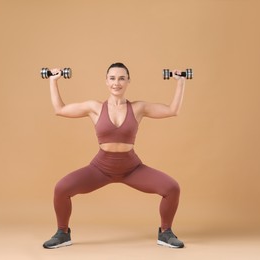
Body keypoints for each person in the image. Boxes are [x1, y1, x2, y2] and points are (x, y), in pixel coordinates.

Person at [43, 62, 186, 249]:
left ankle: (166, 233)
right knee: (61, 188)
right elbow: (60, 109)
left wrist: (181, 82)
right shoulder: (94, 107)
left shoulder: (138, 108)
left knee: (172, 188)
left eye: (121, 78)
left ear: (128, 81)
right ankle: (62, 233)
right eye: (112, 78)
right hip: (100, 168)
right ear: (106, 81)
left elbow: (172, 110)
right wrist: (53, 81)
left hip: (132, 168)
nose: (116, 83)